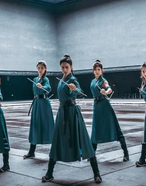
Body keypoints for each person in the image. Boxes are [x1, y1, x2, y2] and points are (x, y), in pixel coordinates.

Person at [42, 54, 102, 183]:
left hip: (73, 113)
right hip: (62, 113)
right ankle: (49, 174)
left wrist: (75, 89)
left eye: (66, 67)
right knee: (57, 141)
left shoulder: (73, 79)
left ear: (71, 67)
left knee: (84, 141)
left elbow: (78, 90)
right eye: (62, 67)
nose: (64, 69)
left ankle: (97, 173)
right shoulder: (62, 79)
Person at [90, 59, 129, 161]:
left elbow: (109, 88)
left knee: (115, 127)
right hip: (96, 106)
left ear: (102, 70)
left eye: (99, 69)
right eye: (95, 69)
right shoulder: (92, 82)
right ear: (93, 71)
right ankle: (92, 154)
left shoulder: (103, 80)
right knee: (95, 129)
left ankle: (126, 153)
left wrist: (106, 92)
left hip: (105, 105)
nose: (97, 71)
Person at [24, 60, 54, 159]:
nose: (40, 70)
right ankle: (31, 151)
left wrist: (42, 86)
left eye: (42, 68)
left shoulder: (46, 80)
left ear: (45, 69)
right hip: (37, 104)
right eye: (39, 68)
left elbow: (48, 88)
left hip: (44, 104)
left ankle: (53, 151)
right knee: (35, 125)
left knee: (47, 125)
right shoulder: (35, 79)